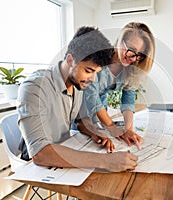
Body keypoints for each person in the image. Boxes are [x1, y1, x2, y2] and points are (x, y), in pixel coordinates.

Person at [17, 26, 138, 172]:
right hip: (37, 162)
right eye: (89, 71)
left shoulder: (77, 85)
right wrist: (106, 161)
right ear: (70, 60)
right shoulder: (34, 87)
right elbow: (40, 153)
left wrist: (94, 132)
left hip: (65, 149)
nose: (93, 79)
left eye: (96, 72)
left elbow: (81, 121)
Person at [81, 22, 155, 149]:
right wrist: (112, 128)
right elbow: (92, 97)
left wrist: (128, 129)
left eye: (139, 55)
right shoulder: (99, 59)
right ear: (120, 41)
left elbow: (128, 99)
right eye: (130, 50)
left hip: (99, 122)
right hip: (81, 119)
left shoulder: (130, 69)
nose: (133, 57)